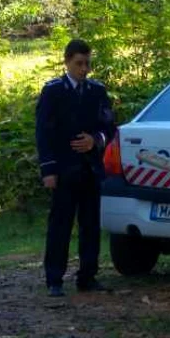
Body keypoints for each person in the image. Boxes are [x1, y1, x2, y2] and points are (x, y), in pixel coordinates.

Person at [35, 39, 115, 297]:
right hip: (63, 168)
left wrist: (96, 140)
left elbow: (109, 127)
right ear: (67, 61)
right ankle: (54, 278)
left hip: (90, 167)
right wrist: (48, 170)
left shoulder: (96, 91)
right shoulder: (54, 91)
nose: (84, 69)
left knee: (90, 225)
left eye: (87, 64)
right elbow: (43, 132)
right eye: (79, 64)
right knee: (60, 224)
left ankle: (88, 275)